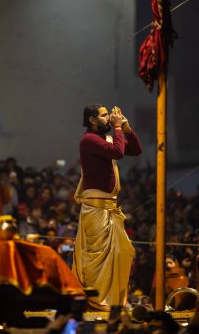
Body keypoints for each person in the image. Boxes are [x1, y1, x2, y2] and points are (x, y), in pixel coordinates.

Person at [72, 104, 142, 311]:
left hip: (110, 209)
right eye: (104, 116)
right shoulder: (89, 140)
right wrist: (118, 127)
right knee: (97, 258)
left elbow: (135, 150)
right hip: (96, 209)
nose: (108, 119)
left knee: (120, 253)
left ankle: (112, 302)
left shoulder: (107, 139)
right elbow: (118, 153)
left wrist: (126, 128)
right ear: (92, 120)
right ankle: (96, 303)